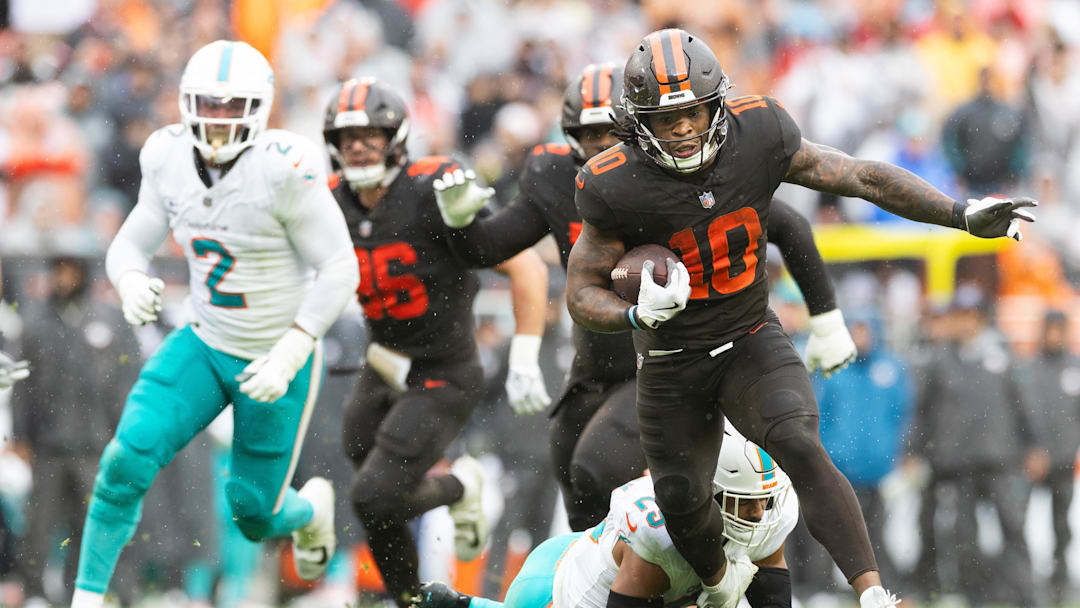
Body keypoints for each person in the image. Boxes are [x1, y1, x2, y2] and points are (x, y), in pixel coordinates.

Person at [564, 29, 1035, 608]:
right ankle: (719, 584)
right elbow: (581, 291)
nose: (684, 129)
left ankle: (871, 592)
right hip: (670, 357)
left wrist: (959, 213)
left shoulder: (760, 130)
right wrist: (634, 310)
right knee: (683, 501)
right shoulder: (612, 182)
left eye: (692, 113)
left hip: (748, 335)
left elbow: (861, 176)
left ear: (716, 102)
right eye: (667, 120)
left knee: (799, 441)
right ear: (637, 123)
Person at [435, 63, 855, 532]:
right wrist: (460, 225)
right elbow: (489, 249)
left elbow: (789, 226)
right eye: (588, 133)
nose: (600, 144)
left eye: (610, 131)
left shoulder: (669, 172)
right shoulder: (556, 176)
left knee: (600, 469)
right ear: (570, 136)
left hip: (668, 356)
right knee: (574, 485)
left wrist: (826, 316)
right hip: (595, 360)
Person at [70, 40, 360, 608]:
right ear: (185, 101)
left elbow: (340, 268)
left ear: (260, 107)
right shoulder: (166, 156)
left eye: (234, 107)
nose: (219, 119)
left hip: (276, 356)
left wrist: (291, 352)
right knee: (126, 457)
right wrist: (129, 279)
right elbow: (130, 242)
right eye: (209, 103)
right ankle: (86, 597)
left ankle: (311, 510)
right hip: (203, 343)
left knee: (254, 514)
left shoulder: (285, 167)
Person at [321, 77, 550, 608]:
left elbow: (525, 266)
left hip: (444, 371)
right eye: (346, 136)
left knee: (373, 496)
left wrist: (524, 356)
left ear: (397, 137)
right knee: (374, 494)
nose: (357, 146)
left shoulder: (432, 187)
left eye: (370, 134)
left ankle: (458, 490)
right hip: (380, 363)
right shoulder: (329, 201)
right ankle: (408, 598)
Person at [413, 425, 798, 608]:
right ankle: (462, 605)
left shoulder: (766, 515)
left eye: (764, 500)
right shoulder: (660, 536)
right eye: (744, 502)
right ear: (711, 494)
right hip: (551, 588)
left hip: (580, 548)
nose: (759, 513)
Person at [10, 256, 139, 606]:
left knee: (91, 524)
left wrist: (122, 434)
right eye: (59, 270)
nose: (64, 278)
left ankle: (81, 593)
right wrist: (21, 436)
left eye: (71, 271)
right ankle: (35, 592)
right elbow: (23, 385)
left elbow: (126, 382)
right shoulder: (36, 322)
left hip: (95, 445)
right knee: (40, 525)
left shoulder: (109, 320)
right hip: (49, 446)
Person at [1016, 309, 1080, 604]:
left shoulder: (1075, 367)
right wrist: (1031, 449)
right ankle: (1024, 581)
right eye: (1049, 329)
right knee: (1018, 521)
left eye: (1059, 329)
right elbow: (1017, 414)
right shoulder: (1027, 368)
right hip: (1029, 463)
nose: (1053, 335)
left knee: (1062, 525)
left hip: (1064, 460)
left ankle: (1059, 579)